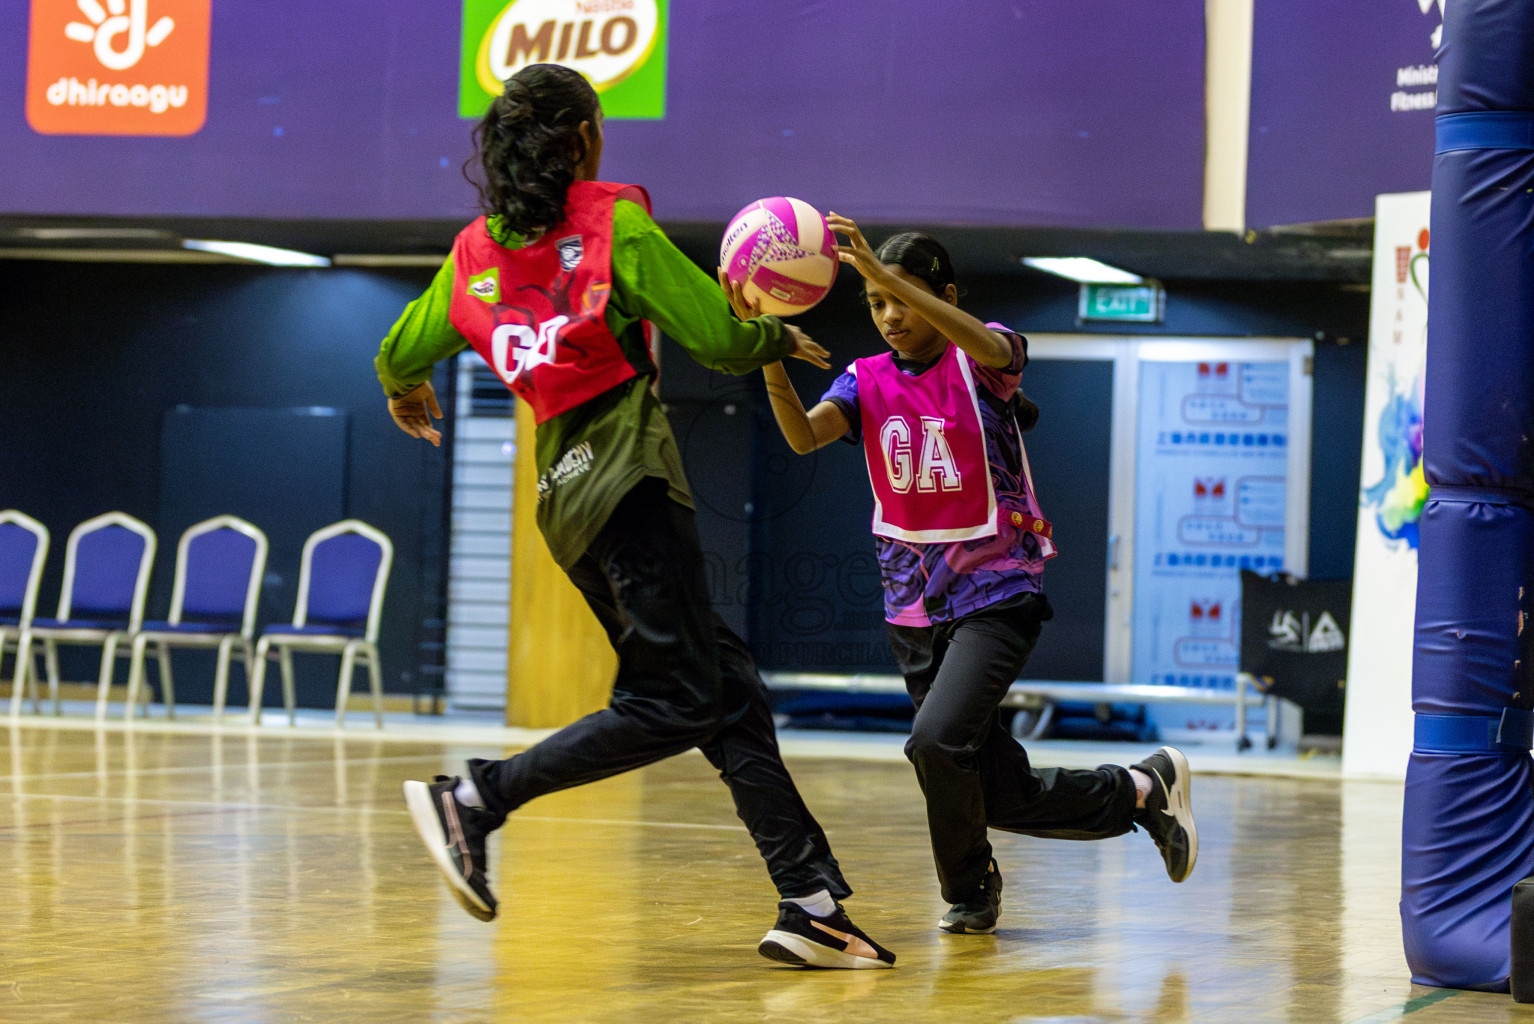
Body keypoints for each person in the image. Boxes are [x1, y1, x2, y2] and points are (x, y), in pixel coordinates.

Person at [378, 64, 894, 970]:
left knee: (727, 691)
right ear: (582, 138)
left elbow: (399, 349)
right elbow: (721, 340)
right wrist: (773, 332)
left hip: (565, 510)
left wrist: (405, 389)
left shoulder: (473, 255)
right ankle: (477, 799)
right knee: (676, 701)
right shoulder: (612, 222)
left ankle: (810, 903)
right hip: (630, 486)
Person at [730, 217, 1197, 935]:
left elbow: (991, 345)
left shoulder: (984, 360)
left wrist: (878, 271)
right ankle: (1141, 790)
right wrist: (767, 352)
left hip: (997, 589)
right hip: (912, 605)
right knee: (991, 788)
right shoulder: (865, 378)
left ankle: (969, 888)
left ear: (945, 296)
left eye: (902, 299)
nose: (889, 315)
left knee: (934, 741)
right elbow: (801, 436)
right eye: (876, 303)